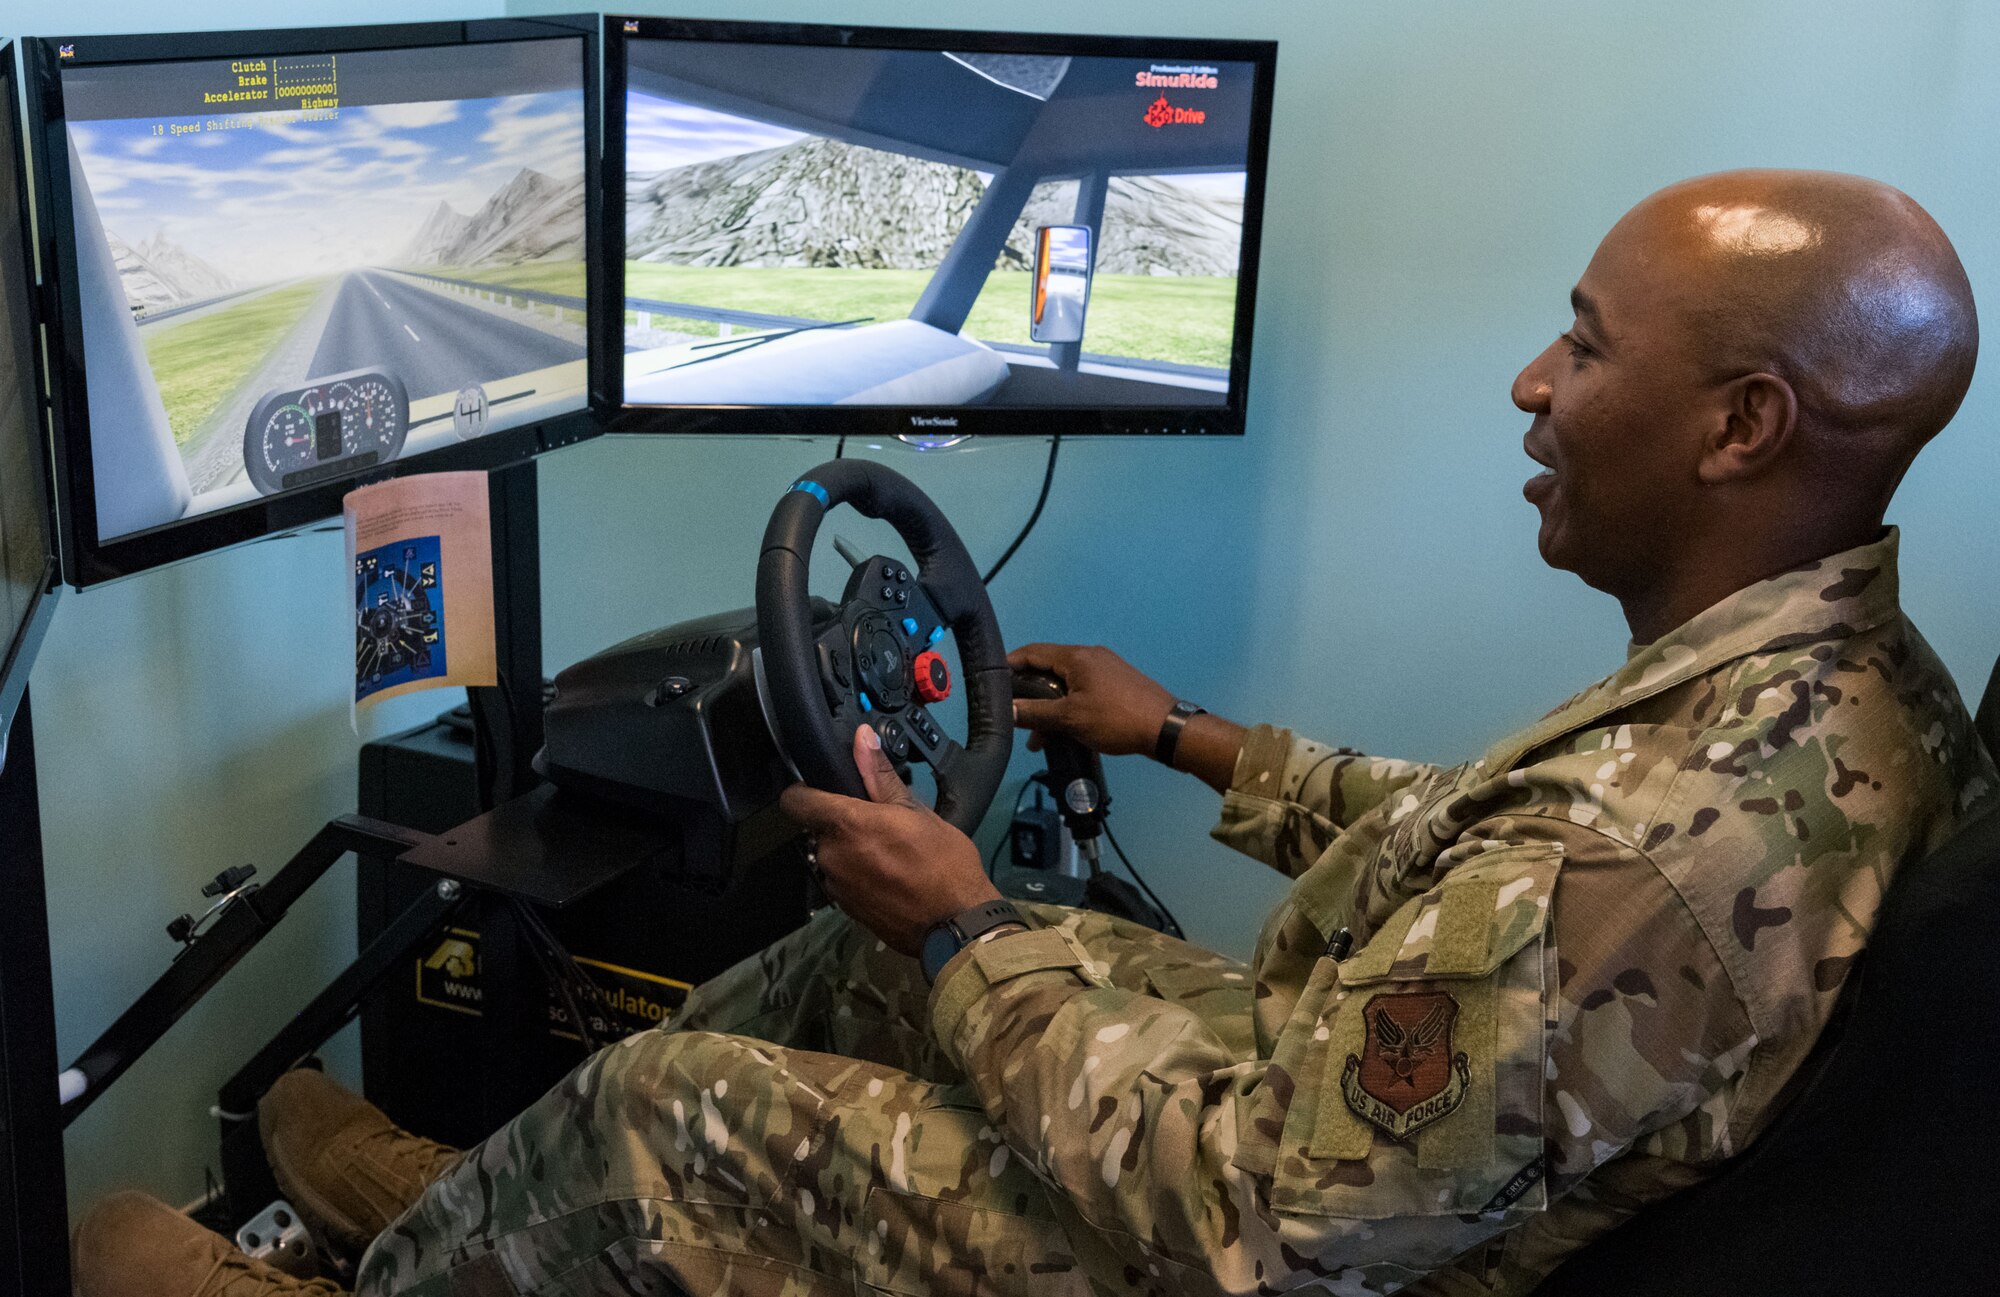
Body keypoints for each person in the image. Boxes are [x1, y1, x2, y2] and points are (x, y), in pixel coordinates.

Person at [74, 168, 1997, 1297]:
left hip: (1289, 1233)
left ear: (1742, 426)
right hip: (1366, 1127)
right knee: (842, 948)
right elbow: (1493, 856)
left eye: (1585, 346)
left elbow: (1271, 1218)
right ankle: (483, 1217)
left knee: (689, 1101)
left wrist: (965, 923)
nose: (1534, 380)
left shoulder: (1680, 833)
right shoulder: (1811, 689)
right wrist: (1198, 739)